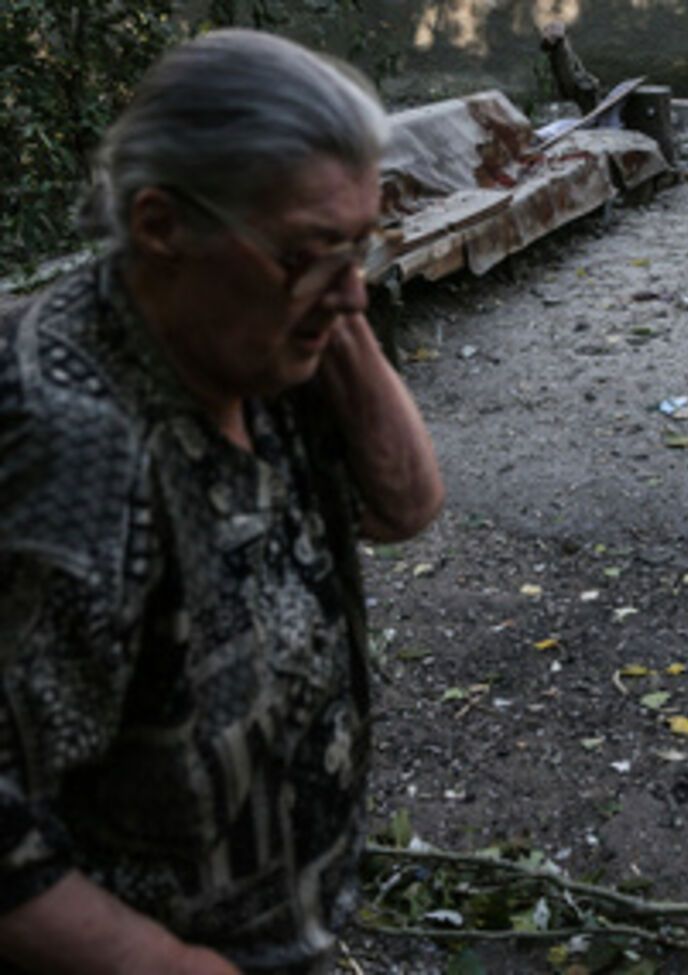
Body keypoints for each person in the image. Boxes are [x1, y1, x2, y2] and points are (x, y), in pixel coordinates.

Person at [0, 30, 444, 975]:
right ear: (161, 226)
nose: (353, 294)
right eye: (307, 251)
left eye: (362, 245)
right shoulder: (70, 444)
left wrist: (323, 274)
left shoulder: (251, 344)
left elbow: (406, 502)